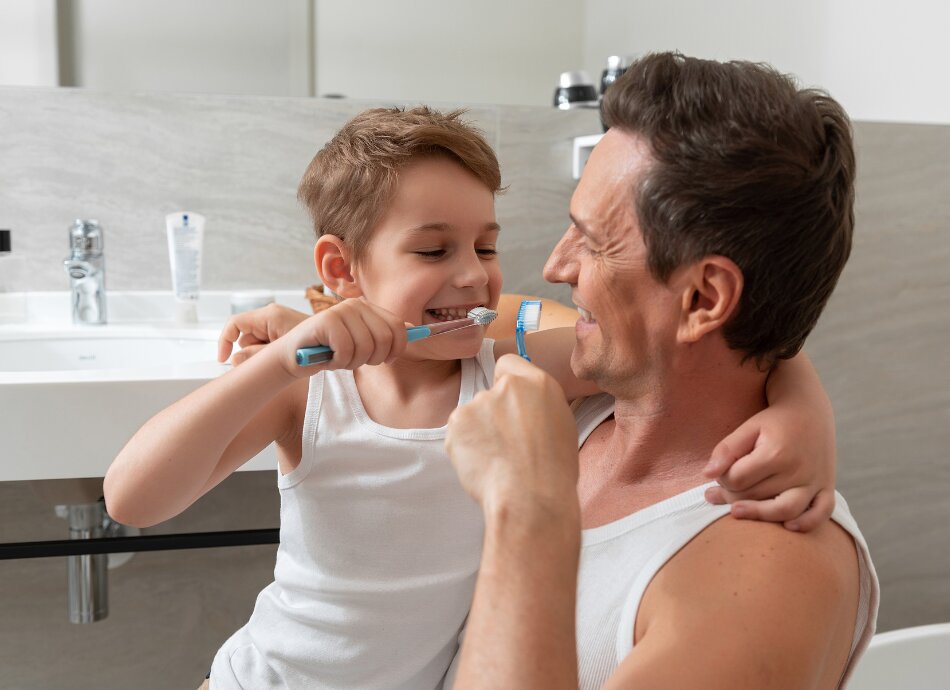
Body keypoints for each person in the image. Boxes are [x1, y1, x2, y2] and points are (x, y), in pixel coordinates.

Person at [106, 106, 837, 690]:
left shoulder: (507, 366)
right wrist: (273, 365)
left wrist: (800, 403)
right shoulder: (310, 392)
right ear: (341, 268)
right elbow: (133, 499)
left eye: (485, 247)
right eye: (433, 250)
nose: (472, 276)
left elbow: (679, 339)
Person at [442, 53, 880, 689]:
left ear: (703, 299)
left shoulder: (767, 572)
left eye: (593, 242)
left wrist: (526, 509)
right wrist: (800, 392)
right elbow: (469, 318)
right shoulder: (591, 386)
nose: (557, 266)